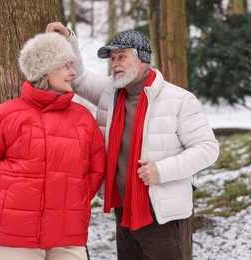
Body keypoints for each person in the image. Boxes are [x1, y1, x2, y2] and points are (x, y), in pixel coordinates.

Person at [46, 22, 220, 260]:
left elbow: (208, 149)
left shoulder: (179, 99)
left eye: (121, 57)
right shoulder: (112, 92)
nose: (115, 63)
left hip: (162, 215)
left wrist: (161, 170)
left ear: (142, 60)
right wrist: (68, 38)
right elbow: (79, 79)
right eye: (112, 58)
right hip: (124, 210)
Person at [0, 32, 106, 260]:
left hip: (67, 234)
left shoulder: (83, 118)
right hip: (15, 235)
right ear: (44, 69)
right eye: (65, 65)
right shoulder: (6, 115)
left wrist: (73, 202)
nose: (73, 72)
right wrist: (5, 203)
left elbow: (94, 171)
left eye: (72, 65)